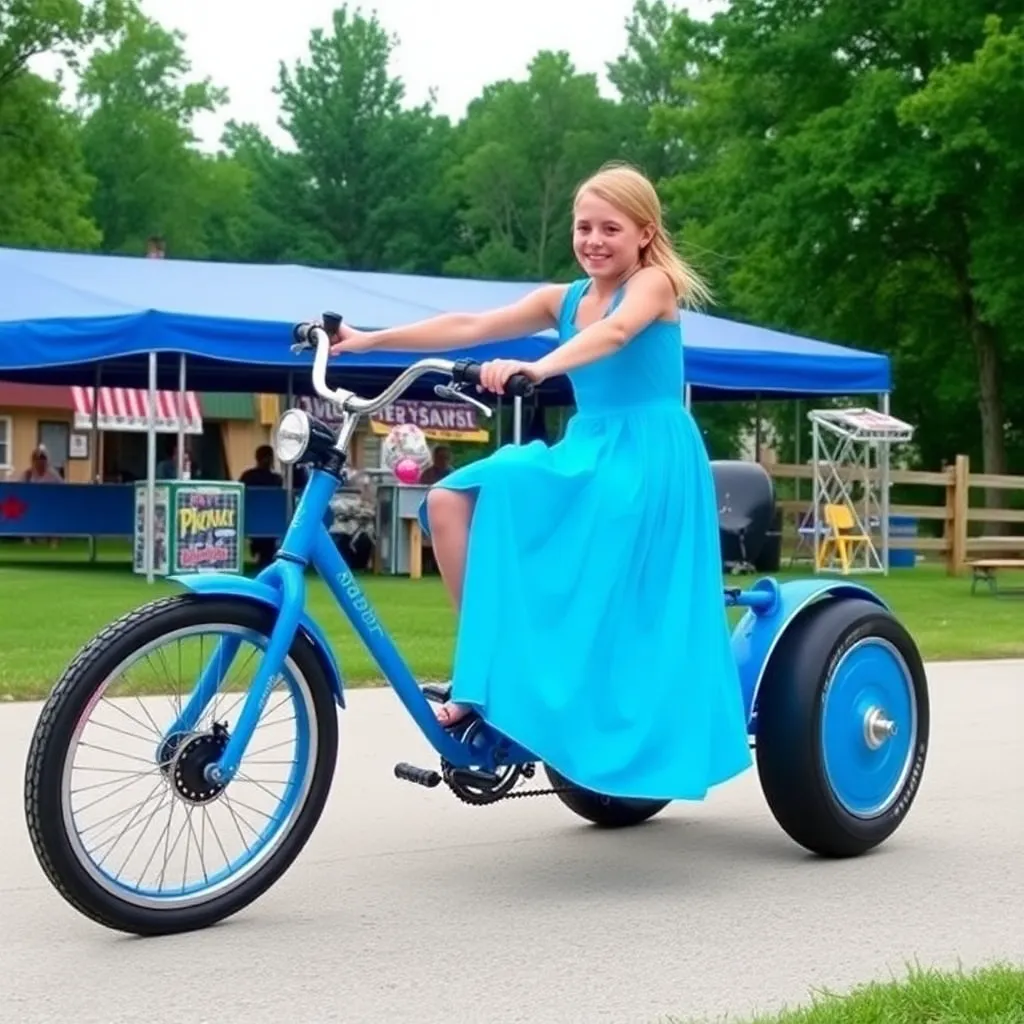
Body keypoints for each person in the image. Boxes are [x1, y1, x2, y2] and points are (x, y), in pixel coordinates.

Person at [325, 161, 752, 801]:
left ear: (644, 233)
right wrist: (363, 341)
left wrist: (539, 367)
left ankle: (506, 685)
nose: (594, 240)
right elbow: (469, 326)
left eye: (611, 228)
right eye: (584, 227)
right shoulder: (564, 298)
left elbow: (614, 333)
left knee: (573, 548)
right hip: (590, 447)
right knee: (448, 499)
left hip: (647, 457)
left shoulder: (654, 284)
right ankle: (489, 675)